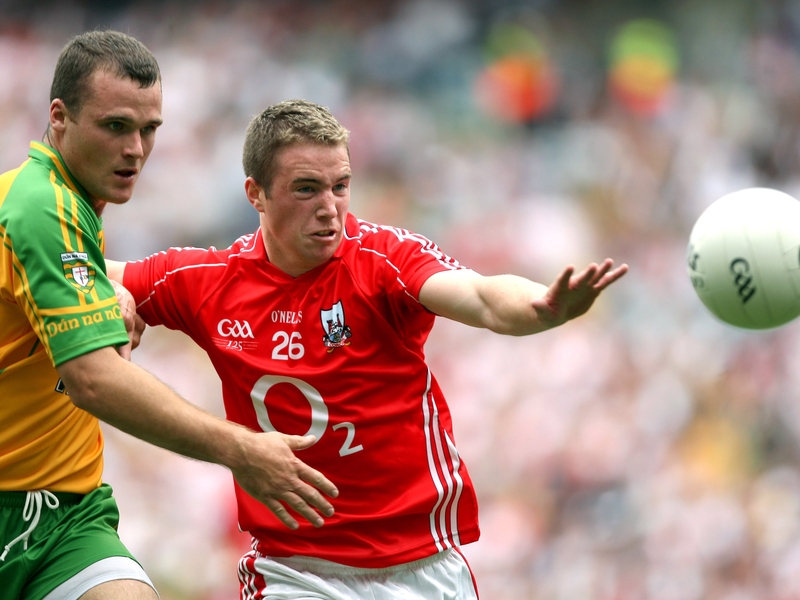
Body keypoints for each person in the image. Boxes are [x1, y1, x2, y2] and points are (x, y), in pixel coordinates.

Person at [110, 99, 628, 600]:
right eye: (307, 189)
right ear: (256, 193)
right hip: (296, 570)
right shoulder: (208, 280)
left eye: (340, 187)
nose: (329, 209)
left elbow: (481, 296)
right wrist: (105, 286)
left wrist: (543, 305)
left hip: (422, 565)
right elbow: (83, 270)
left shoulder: (384, 260)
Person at [0, 34, 337, 600]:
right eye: (115, 127)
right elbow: (93, 379)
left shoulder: (64, 201)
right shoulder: (43, 206)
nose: (135, 149)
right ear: (59, 118)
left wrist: (108, 287)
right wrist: (239, 448)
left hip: (65, 517)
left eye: (149, 129)